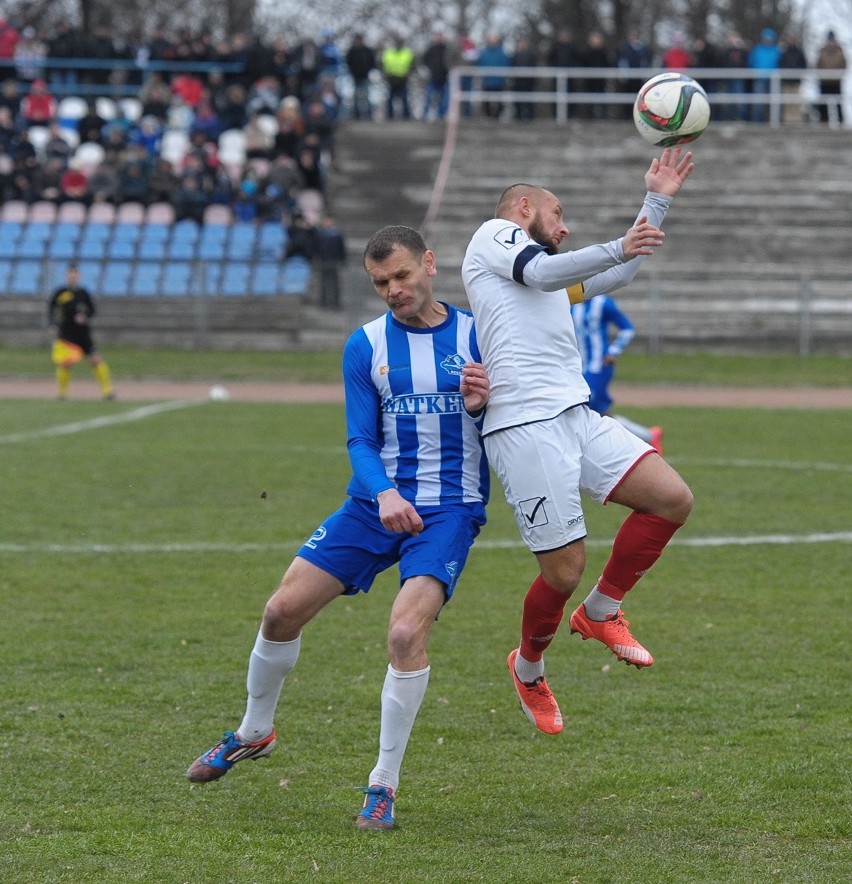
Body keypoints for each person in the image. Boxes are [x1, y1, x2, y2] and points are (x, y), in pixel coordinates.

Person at [186, 225, 490, 831]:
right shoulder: (365, 345)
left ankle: (383, 786)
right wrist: (381, 492)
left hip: (449, 508)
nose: (392, 290)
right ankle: (254, 731)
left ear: (429, 264)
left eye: (401, 276)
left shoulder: (482, 334)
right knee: (279, 612)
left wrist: (485, 404)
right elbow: (360, 437)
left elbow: (518, 420)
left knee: (405, 635)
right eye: (380, 282)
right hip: (371, 504)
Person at [461, 148, 695, 736]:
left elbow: (615, 274)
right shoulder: (493, 239)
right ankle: (529, 666)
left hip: (576, 415)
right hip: (523, 426)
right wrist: (619, 242)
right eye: (556, 213)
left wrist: (656, 200)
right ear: (523, 208)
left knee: (672, 498)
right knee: (562, 572)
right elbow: (545, 268)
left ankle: (602, 610)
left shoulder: (544, 278)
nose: (564, 227)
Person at [571, 294, 663, 454]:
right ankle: (648, 436)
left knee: (587, 410)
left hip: (599, 367)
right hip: (580, 368)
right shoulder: (572, 305)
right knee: (597, 414)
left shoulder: (603, 303)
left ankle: (644, 438)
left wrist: (614, 351)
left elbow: (627, 328)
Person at [48, 264, 114, 401]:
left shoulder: (83, 293)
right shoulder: (60, 293)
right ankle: (62, 393)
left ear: (79, 276)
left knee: (96, 359)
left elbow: (92, 310)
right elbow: (51, 308)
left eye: (75, 274)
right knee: (65, 363)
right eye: (70, 274)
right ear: (67, 276)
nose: (73, 277)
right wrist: (52, 324)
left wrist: (85, 316)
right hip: (67, 333)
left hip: (83, 333)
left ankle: (108, 392)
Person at [315, 213, 347, 309]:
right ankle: (323, 302)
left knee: (335, 284)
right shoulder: (321, 234)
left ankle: (335, 303)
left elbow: (341, 249)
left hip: (334, 262)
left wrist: (342, 260)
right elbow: (317, 248)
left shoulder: (337, 234)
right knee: (323, 283)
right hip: (324, 262)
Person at [815, 31, 846, 126]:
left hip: (836, 82)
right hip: (824, 82)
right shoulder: (822, 52)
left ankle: (840, 122)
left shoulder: (840, 52)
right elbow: (817, 65)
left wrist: (838, 75)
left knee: (838, 103)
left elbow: (844, 65)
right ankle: (823, 122)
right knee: (823, 104)